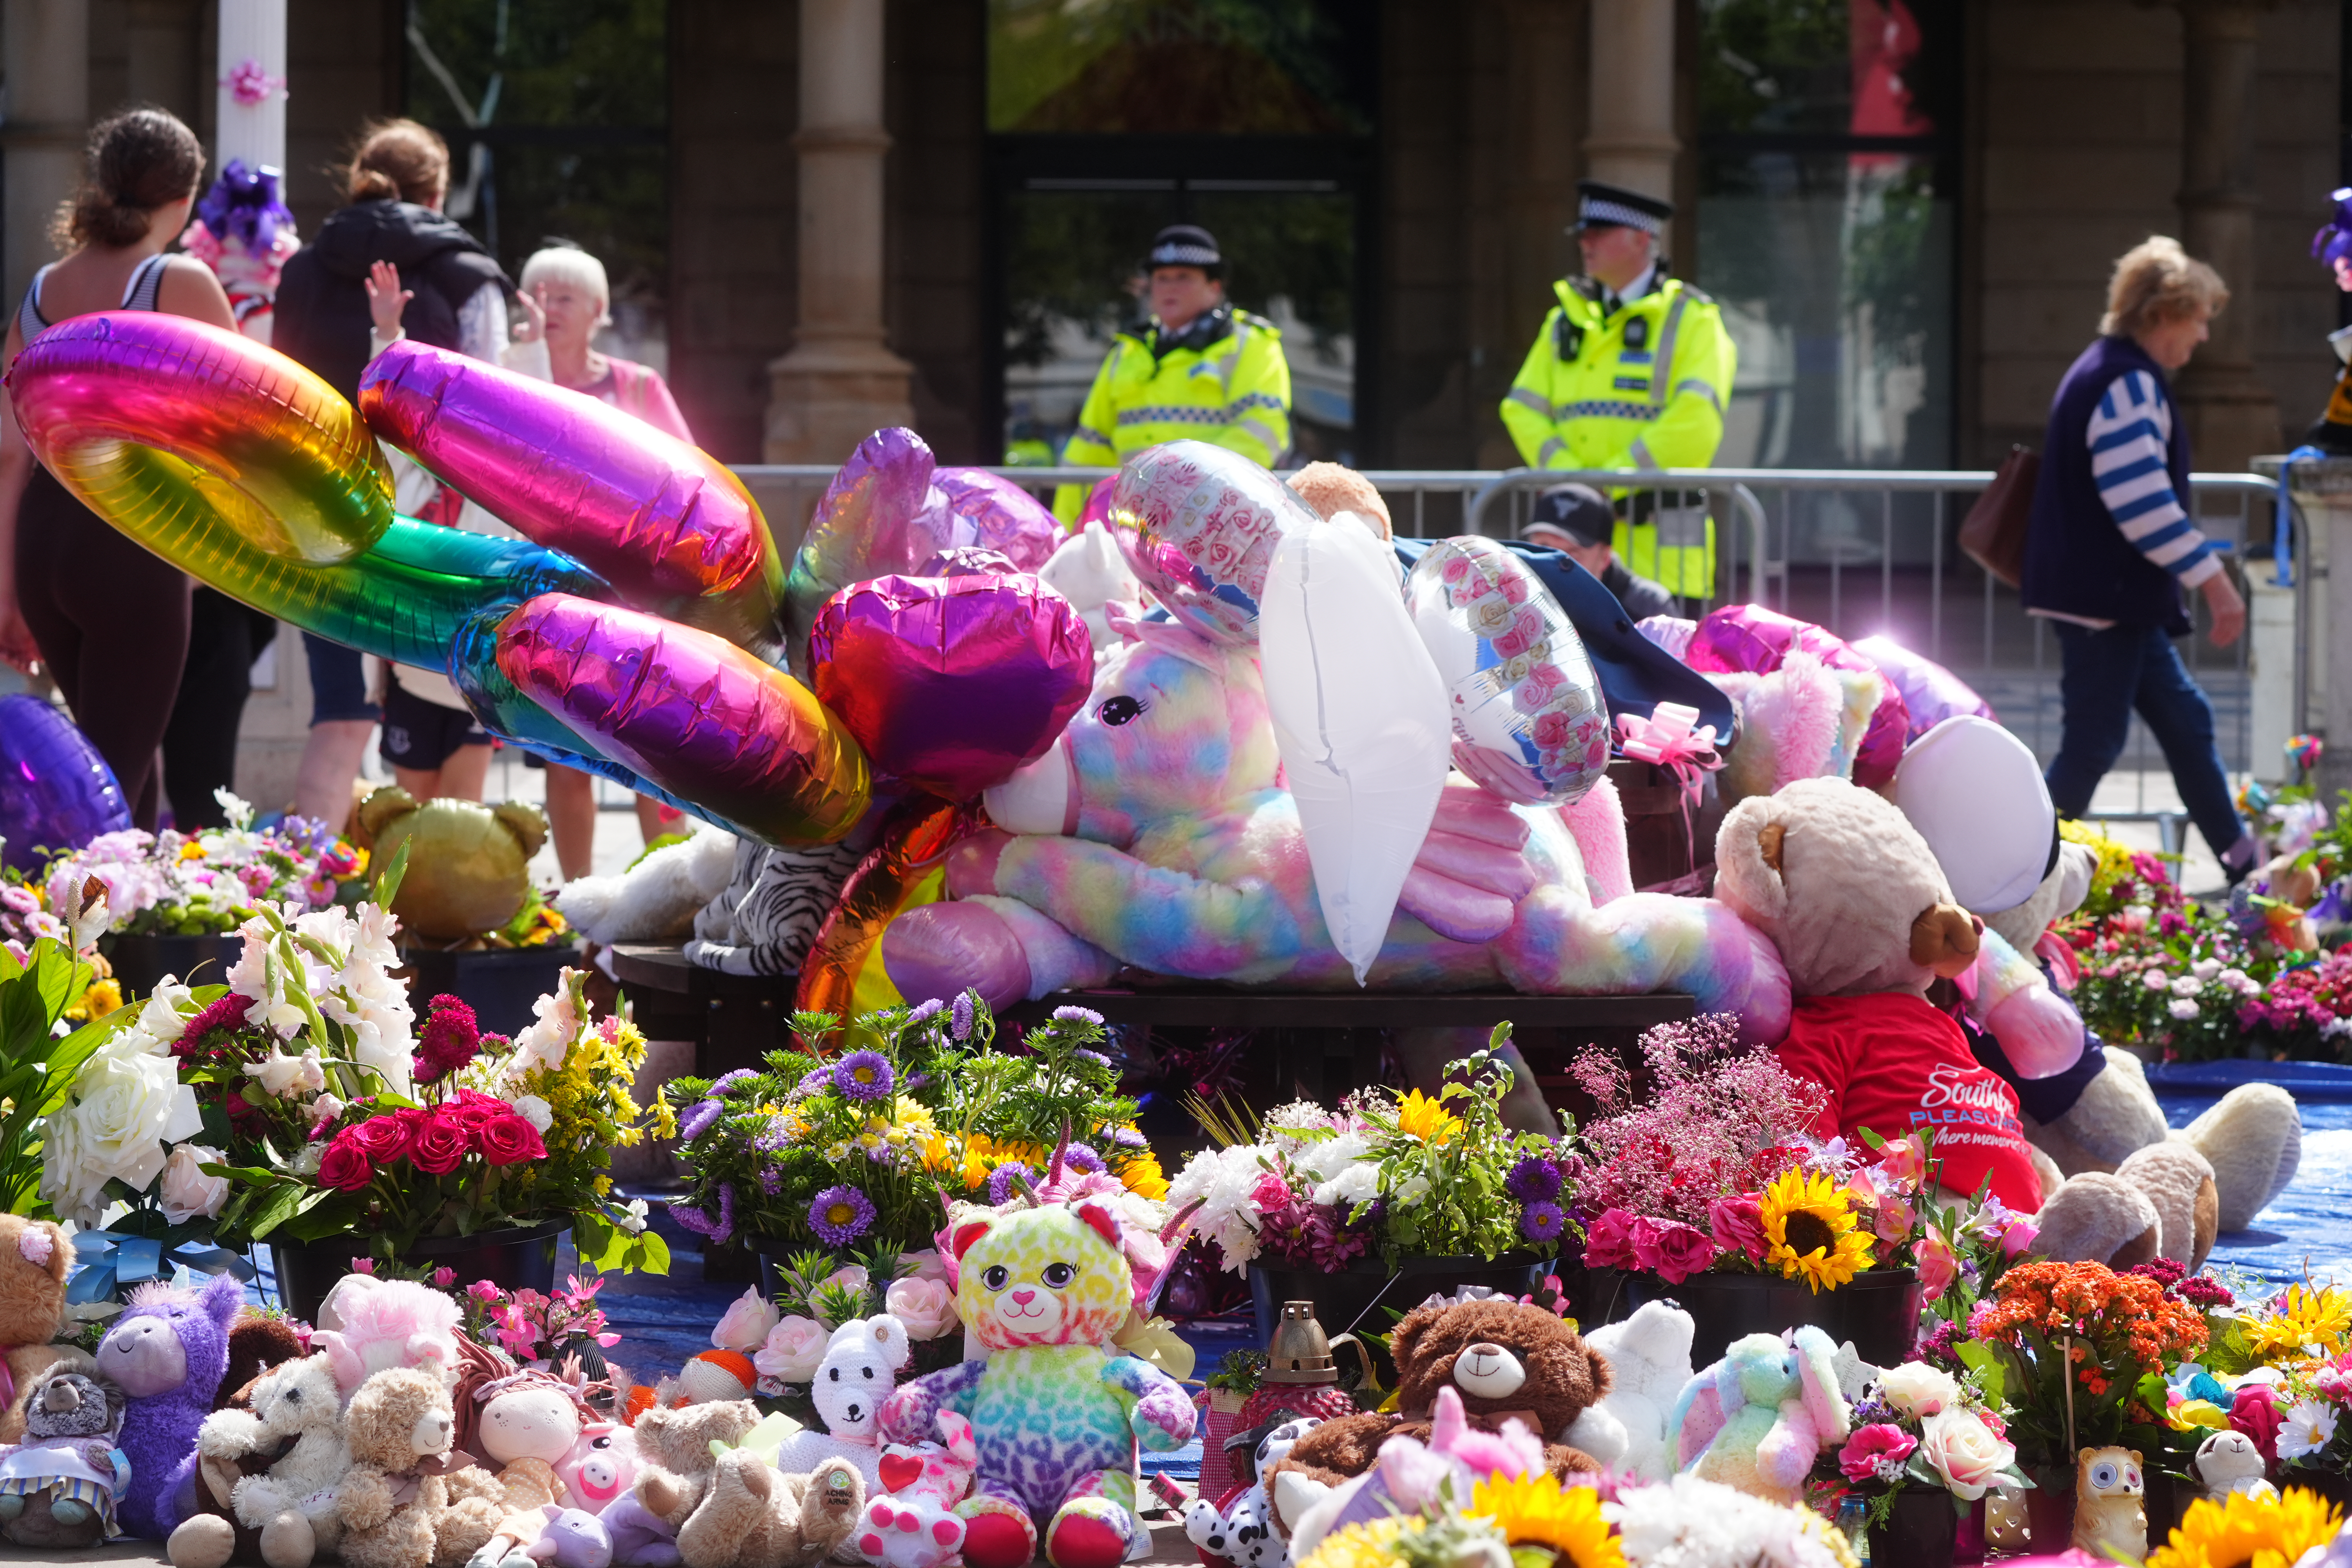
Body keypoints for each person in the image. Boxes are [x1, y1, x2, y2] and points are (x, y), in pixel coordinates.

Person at [0, 107, 237, 831]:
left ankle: (127, 941)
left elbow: (10, 452)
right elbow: (251, 423)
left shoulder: (43, 289)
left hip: (45, 544)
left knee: (122, 768)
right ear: (186, 196)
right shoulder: (176, 279)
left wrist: (8, 589)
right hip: (130, 542)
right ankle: (39, 935)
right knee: (99, 796)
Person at [272, 119, 512, 817]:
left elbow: (280, 391)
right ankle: (452, 910)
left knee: (342, 714)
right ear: (437, 193)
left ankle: (307, 905)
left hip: (319, 510)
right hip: (435, 534)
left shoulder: (300, 271)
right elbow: (495, 409)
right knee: (454, 716)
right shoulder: (469, 275)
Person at [2022, 235, 2254, 881]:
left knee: (2186, 722)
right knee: (2095, 745)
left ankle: (2246, 869)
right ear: (2162, 315)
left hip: (2114, 599)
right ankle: (2014, 876)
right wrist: (2215, 582)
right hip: (2108, 598)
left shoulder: (2108, 370)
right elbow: (2144, 504)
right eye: (2199, 317)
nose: (2204, 335)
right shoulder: (2126, 383)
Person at [499, 243, 690, 878]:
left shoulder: (638, 386)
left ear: (599, 312)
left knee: (652, 745)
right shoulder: (510, 377)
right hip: (551, 586)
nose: (550, 307)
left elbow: (688, 477)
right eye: (540, 294)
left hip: (634, 592)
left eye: (566, 297)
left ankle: (666, 891)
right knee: (566, 749)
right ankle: (582, 908)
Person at [1499, 180, 1737, 602]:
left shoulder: (1694, 320)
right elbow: (1520, 408)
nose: (1585, 243)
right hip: (1575, 552)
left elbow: (1696, 420)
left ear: (1641, 239)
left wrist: (1608, 482)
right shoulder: (1564, 321)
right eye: (1583, 234)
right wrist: (1576, 480)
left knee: (1662, 663)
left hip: (1662, 553)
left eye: (1599, 233)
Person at [1053, 225, 1292, 523]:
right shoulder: (1126, 352)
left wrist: (1187, 493)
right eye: (1162, 278)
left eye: (1184, 278)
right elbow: (1089, 447)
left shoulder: (1250, 344)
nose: (1170, 287)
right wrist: (1065, 530)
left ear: (1214, 288)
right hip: (1131, 523)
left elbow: (1262, 433)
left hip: (1215, 522)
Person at [1518, 482, 1676, 622]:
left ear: (1605, 558)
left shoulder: (1648, 607)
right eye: (1543, 548)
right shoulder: (1510, 598)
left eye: (1571, 556)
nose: (1553, 563)